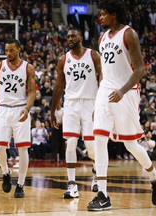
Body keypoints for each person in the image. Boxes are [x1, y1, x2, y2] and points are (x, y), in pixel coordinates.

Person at [87, 0, 156, 211]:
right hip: (105, 91)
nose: (100, 17)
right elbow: (105, 72)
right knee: (98, 137)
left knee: (130, 145)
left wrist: (122, 90)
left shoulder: (129, 34)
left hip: (126, 94)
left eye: (104, 14)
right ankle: (103, 194)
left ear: (114, 15)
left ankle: (153, 176)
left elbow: (140, 71)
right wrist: (99, 99)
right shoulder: (101, 37)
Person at [51, 28, 102, 199]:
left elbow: (102, 77)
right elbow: (58, 86)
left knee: (91, 147)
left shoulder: (93, 55)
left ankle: (96, 171)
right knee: (71, 142)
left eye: (73, 36)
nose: (70, 39)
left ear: (81, 37)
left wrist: (101, 103)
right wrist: (53, 110)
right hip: (71, 104)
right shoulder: (63, 59)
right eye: (68, 37)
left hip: (90, 103)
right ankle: (72, 184)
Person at [0, 38, 36, 198]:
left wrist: (27, 108)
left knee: (23, 149)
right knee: (0, 148)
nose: (8, 53)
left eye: (11, 50)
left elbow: (31, 92)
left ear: (19, 50)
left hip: (20, 109)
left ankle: (21, 184)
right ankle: (6, 172)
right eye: (6, 50)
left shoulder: (28, 68)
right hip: (2, 109)